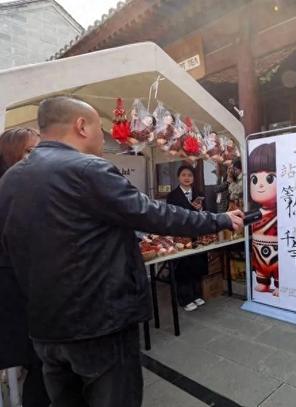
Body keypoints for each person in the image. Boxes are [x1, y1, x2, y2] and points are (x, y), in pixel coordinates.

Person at [0, 96, 244, 407]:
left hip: (45, 330)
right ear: (81, 125)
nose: (104, 138)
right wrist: (220, 219)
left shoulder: (10, 180)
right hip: (99, 323)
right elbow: (155, 214)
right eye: (100, 130)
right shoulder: (88, 169)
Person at [0, 128, 50, 407]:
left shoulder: (31, 186)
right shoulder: (10, 190)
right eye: (30, 151)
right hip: (17, 296)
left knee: (42, 366)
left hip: (35, 295)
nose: (37, 157)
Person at [166, 165, 208, 311]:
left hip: (197, 234)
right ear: (178, 177)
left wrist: (200, 209)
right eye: (183, 175)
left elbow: (205, 212)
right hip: (181, 235)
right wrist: (191, 209)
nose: (187, 178)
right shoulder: (172, 196)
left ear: (193, 178)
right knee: (183, 266)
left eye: (190, 175)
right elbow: (173, 216)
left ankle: (196, 294)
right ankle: (185, 299)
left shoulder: (199, 193)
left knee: (196, 264)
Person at [248, 143, 279, 296]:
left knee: (279, 265)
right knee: (260, 266)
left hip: (276, 253)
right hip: (258, 250)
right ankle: (263, 281)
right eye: (254, 179)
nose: (260, 185)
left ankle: (279, 282)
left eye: (269, 178)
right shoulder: (255, 212)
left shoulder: (282, 213)